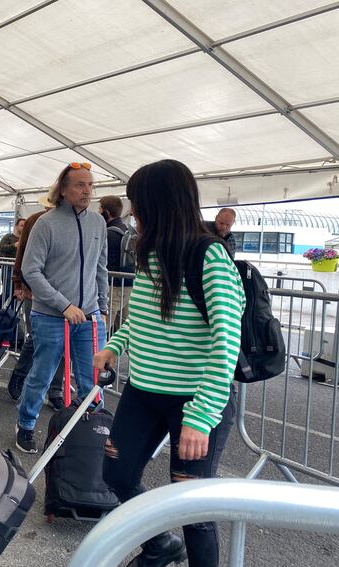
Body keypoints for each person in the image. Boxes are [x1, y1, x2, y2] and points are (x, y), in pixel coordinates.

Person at [94, 160, 245, 567]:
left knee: (192, 509)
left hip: (195, 402)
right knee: (117, 476)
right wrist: (114, 346)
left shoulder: (210, 256)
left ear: (161, 203)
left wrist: (201, 415)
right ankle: (161, 545)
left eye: (138, 204)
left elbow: (226, 341)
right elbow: (140, 319)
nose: (133, 213)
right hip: (143, 393)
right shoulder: (152, 253)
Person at [15, 162, 109, 454]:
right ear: (64, 190)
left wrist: (102, 306)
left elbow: (100, 268)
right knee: (42, 375)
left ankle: (90, 431)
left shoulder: (98, 223)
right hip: (50, 316)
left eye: (90, 185)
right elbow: (31, 271)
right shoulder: (46, 223)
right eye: (80, 185)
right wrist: (64, 305)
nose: (87, 191)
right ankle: (26, 425)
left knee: (92, 379)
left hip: (90, 316)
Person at [7, 193, 56, 402]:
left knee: (60, 342)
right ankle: (20, 374)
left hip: (64, 293)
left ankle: (56, 389)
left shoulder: (77, 222)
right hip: (34, 290)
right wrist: (18, 282)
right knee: (36, 337)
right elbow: (23, 253)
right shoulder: (35, 221)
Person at [100, 195, 134, 334]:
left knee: (104, 325)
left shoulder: (108, 234)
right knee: (124, 325)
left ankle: (98, 352)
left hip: (113, 286)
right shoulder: (125, 229)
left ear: (106, 212)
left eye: (100, 209)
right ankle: (130, 352)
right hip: (128, 283)